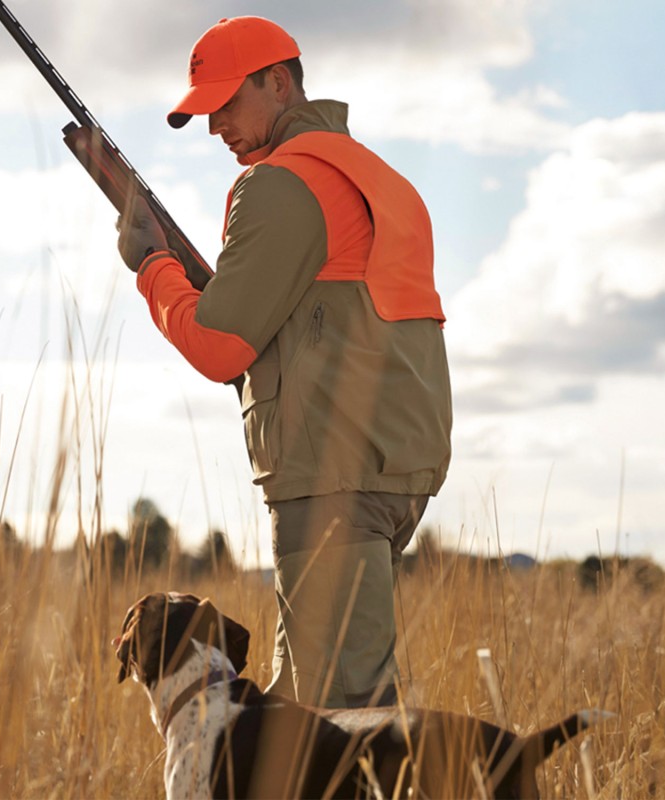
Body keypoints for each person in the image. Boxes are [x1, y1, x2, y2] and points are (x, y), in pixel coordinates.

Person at [117, 16, 452, 709]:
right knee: (313, 711)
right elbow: (316, 323)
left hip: (330, 477)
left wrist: (152, 265)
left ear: (278, 82)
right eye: (204, 114)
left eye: (226, 103)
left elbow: (219, 348)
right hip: (394, 470)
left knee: (335, 721)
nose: (215, 129)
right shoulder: (375, 177)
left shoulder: (281, 185)